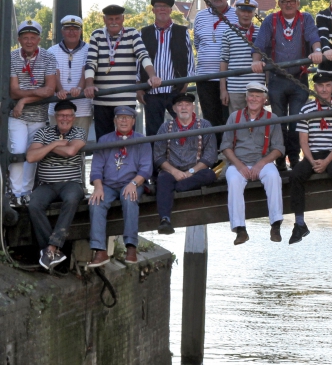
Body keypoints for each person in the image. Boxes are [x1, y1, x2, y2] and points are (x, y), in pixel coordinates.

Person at [251, 0, 324, 169]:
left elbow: (313, 37)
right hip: (277, 79)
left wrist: (317, 51)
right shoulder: (270, 20)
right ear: (279, 3)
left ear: (298, 3)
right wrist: (256, 61)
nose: (289, 5)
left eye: (292, 1)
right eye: (285, 2)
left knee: (297, 121)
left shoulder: (306, 18)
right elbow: (259, 44)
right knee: (279, 121)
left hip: (299, 78)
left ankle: (295, 158)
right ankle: (280, 160)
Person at [288, 72, 332, 244]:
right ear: (314, 88)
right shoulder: (306, 109)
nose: (324, 89)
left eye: (328, 85)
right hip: (313, 153)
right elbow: (303, 141)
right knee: (295, 175)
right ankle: (299, 223)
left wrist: (327, 161)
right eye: (320, 86)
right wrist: (311, 160)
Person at [87, 106, 153, 268]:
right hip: (108, 185)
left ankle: (131, 247)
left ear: (133, 121)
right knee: (96, 202)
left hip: (131, 183)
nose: (123, 120)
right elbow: (96, 168)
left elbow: (146, 169)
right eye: (120, 117)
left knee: (129, 198)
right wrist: (98, 187)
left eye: (127, 117)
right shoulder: (104, 140)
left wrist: (133, 183)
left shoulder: (141, 140)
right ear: (115, 121)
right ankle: (99, 250)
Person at [221, 82, 285, 245]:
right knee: (234, 180)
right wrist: (239, 165)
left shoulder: (273, 119)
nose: (254, 99)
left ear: (264, 100)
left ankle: (276, 225)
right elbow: (226, 147)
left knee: (273, 176)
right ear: (246, 97)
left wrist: (261, 164)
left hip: (262, 162)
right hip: (238, 162)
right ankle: (240, 229)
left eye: (258, 96)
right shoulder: (234, 117)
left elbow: (278, 148)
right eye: (251, 95)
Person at [84, 5, 161, 139]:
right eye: (110, 19)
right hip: (102, 99)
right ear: (104, 20)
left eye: (117, 18)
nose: (114, 22)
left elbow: (143, 55)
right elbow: (91, 62)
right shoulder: (96, 35)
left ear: (123, 19)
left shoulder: (132, 33)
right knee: (103, 141)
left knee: (127, 139)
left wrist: (152, 76)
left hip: (125, 99)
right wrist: (89, 84)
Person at [26, 100, 87, 271]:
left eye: (68, 115)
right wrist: (54, 144)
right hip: (46, 184)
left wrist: (44, 148)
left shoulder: (79, 132)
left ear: (74, 117)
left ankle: (52, 247)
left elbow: (70, 151)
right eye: (61, 115)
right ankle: (51, 251)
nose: (65, 118)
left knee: (72, 198)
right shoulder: (43, 132)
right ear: (55, 117)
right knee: (34, 204)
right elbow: (31, 157)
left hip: (71, 183)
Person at [153, 92, 218, 235]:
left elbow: (210, 156)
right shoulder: (165, 127)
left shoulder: (205, 125)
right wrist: (174, 171)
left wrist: (191, 172)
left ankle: (179, 187)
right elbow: (158, 156)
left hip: (196, 171)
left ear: (193, 107)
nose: (184, 108)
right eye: (180, 105)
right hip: (172, 171)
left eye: (187, 105)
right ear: (174, 109)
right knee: (163, 178)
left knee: (210, 174)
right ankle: (165, 219)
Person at [9, 20, 58, 204]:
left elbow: (50, 89)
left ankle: (26, 192)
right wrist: (34, 93)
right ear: (19, 39)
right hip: (17, 115)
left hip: (38, 115)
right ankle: (15, 192)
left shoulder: (48, 57)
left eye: (32, 38)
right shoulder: (12, 57)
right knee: (17, 150)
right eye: (25, 38)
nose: (29, 41)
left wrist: (23, 99)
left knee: (33, 153)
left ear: (38, 39)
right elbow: (13, 91)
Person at [139, 0, 193, 138]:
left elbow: (190, 59)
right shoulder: (144, 33)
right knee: (153, 132)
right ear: (153, 10)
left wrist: (185, 84)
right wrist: (138, 87)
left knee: (184, 128)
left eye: (165, 7)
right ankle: (154, 161)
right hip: (152, 92)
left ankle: (184, 157)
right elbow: (137, 61)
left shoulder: (182, 32)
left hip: (175, 89)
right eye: (158, 7)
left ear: (170, 10)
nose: (162, 9)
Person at [192, 0, 239, 136]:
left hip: (229, 77)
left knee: (229, 118)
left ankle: (229, 154)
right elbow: (197, 44)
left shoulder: (236, 15)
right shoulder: (200, 17)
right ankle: (215, 156)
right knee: (210, 119)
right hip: (205, 77)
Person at [219, 0, 265, 114]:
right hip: (235, 88)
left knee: (257, 121)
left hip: (257, 86)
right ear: (237, 12)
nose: (246, 14)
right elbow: (224, 62)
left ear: (254, 13)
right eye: (243, 11)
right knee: (237, 122)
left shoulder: (261, 32)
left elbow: (267, 60)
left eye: (249, 11)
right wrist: (223, 89)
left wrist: (267, 87)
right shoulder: (228, 33)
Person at [48, 14, 92, 136]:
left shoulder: (89, 49)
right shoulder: (52, 51)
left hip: (82, 108)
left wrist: (79, 88)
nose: (72, 32)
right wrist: (60, 90)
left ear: (81, 31)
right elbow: (54, 72)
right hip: (57, 108)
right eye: (68, 29)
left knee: (79, 145)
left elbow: (86, 70)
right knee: (57, 144)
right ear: (62, 31)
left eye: (75, 29)